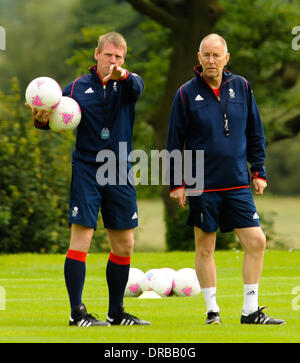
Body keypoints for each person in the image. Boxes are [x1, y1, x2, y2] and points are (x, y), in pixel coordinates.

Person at [26, 32, 150, 327]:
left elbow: (138, 86)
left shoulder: (127, 85)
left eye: (119, 57)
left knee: (124, 245)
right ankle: (76, 314)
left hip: (119, 169)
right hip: (87, 169)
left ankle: (116, 313)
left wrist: (125, 74)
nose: (113, 61)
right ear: (97, 54)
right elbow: (53, 116)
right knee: (81, 239)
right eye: (109, 55)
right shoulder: (77, 87)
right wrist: (41, 119)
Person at [167, 33, 285, 325]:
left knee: (256, 241)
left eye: (216, 55)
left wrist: (259, 170)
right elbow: (173, 141)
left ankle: (250, 311)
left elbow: (255, 130)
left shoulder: (241, 87)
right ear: (199, 58)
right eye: (206, 55)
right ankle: (212, 312)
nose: (211, 61)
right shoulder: (184, 93)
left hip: (237, 181)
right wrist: (177, 183)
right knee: (205, 247)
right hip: (200, 183)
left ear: (226, 58)